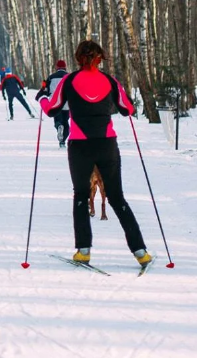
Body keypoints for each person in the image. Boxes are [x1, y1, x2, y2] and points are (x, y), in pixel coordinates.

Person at [40, 40, 152, 271]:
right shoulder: (110, 81)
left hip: (80, 146)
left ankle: (83, 252)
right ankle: (140, 252)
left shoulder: (69, 80)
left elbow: (52, 108)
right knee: (116, 197)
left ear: (78, 58)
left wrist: (41, 97)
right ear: (100, 58)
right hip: (106, 145)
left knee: (81, 196)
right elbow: (127, 110)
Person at [35, 59, 70, 148]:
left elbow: (45, 90)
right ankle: (62, 142)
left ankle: (59, 126)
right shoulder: (69, 76)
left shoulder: (51, 77)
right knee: (66, 122)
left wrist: (40, 95)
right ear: (65, 67)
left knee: (58, 121)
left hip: (55, 104)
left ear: (57, 67)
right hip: (67, 104)